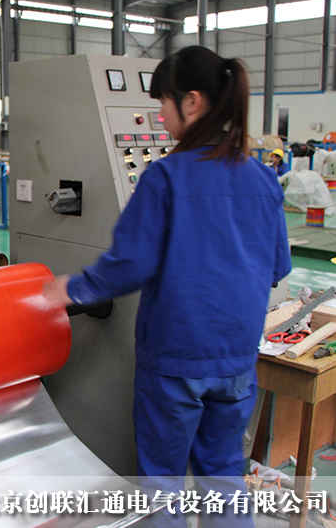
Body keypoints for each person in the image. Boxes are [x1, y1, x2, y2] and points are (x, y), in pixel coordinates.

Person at [43, 46, 291, 526]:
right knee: (223, 475)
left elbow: (129, 264)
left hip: (176, 362)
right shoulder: (263, 178)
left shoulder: (166, 177)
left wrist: (71, 289)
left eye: (163, 102)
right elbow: (278, 266)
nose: (159, 115)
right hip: (237, 361)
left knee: (163, 483)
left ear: (192, 102)